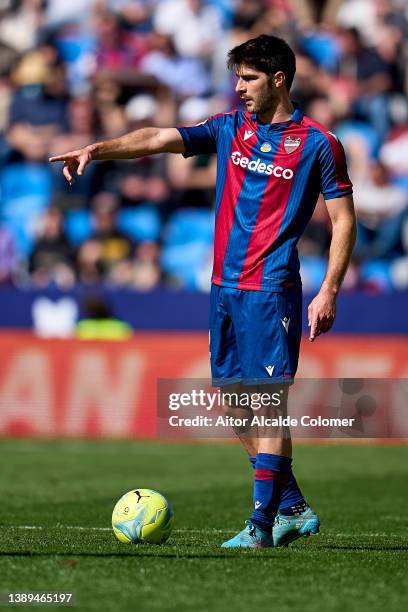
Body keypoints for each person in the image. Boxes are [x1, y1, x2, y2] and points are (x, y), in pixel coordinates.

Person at [50, 34, 356, 549]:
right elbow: (155, 139)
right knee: (235, 404)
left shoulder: (318, 144)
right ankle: (294, 506)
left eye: (249, 78)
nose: (238, 88)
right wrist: (96, 150)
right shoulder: (229, 127)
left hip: (271, 287)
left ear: (279, 79)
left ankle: (261, 526)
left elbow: (344, 221)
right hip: (223, 287)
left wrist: (329, 291)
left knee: (266, 404)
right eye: (237, 77)